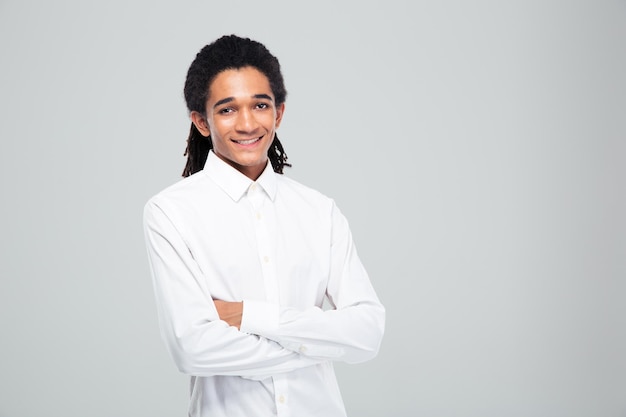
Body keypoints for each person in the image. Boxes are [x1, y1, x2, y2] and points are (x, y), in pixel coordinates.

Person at [143, 34, 385, 417]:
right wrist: (320, 343)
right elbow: (192, 347)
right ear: (201, 122)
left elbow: (368, 332)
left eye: (260, 105)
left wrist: (249, 316)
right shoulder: (172, 212)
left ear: (279, 113)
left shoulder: (319, 211)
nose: (247, 123)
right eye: (227, 109)